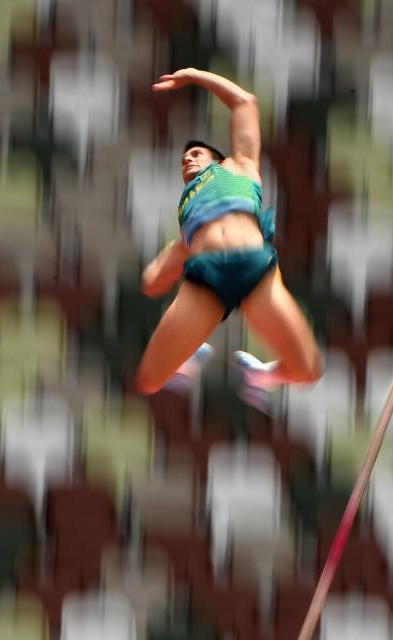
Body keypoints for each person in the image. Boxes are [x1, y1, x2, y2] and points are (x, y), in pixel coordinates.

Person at [132, 67, 323, 413]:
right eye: (183, 158)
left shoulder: (240, 166)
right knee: (148, 379)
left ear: (219, 160)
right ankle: (185, 361)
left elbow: (244, 103)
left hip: (253, 266)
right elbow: (151, 282)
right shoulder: (186, 220)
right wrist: (173, 254)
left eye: (197, 154)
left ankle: (260, 377)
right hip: (206, 278)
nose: (188, 158)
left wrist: (192, 75)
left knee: (307, 369)